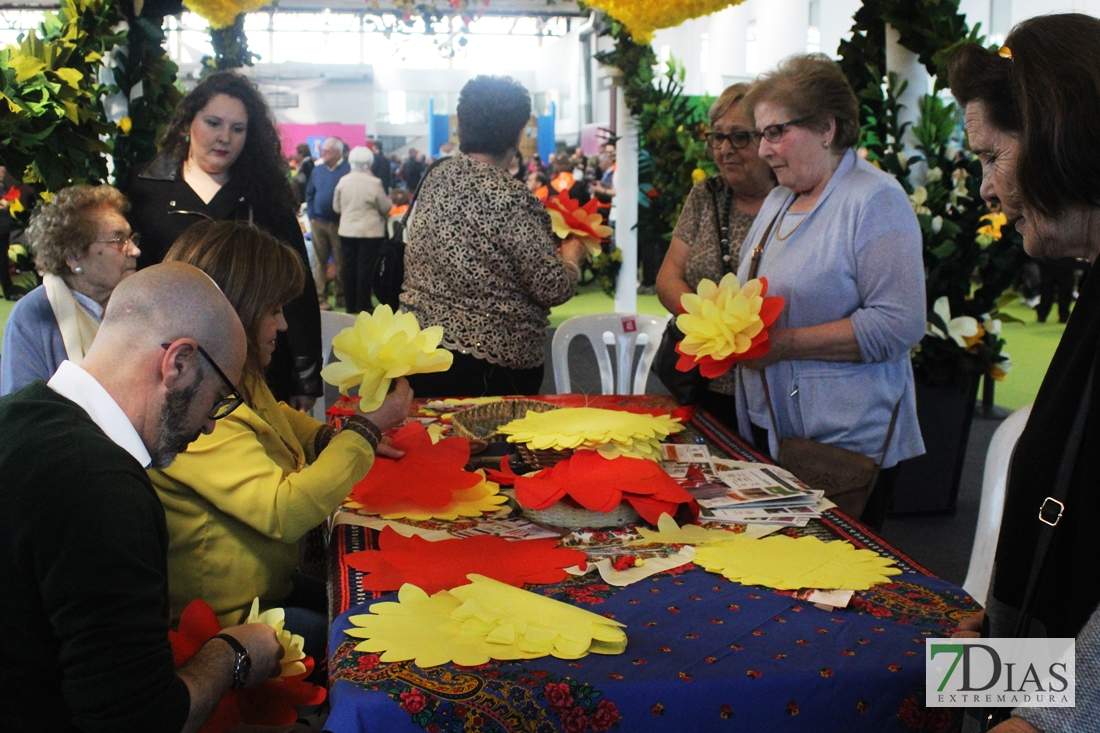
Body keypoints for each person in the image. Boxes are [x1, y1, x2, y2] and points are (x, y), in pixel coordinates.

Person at [0, 262, 284, 732]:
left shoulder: (17, 414)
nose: (212, 423)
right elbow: (141, 721)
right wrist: (232, 654)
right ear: (179, 362)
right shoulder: (99, 488)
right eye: (219, 399)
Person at [154, 220, 412, 668]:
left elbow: (274, 415)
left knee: (383, 601)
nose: (283, 323)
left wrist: (335, 435)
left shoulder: (232, 374)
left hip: (266, 593)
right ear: (236, 311)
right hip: (230, 626)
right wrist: (364, 433)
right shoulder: (195, 403)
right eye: (272, 309)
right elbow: (283, 513)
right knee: (382, 644)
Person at [948, 16, 1100, 731]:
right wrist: (988, 644)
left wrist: (1043, 719)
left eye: (991, 157)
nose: (985, 188)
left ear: (1059, 139)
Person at [735, 54, 926, 531]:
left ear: (826, 128)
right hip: (774, 424)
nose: (763, 150)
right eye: (761, 134)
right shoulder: (781, 198)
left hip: (845, 438)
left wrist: (783, 345)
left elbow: (898, 323)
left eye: (775, 132)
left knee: (839, 581)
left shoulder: (875, 198)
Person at [122, 70, 322, 412]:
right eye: (213, 123)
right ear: (188, 122)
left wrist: (305, 375)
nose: (224, 137)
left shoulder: (268, 197)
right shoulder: (143, 189)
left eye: (237, 129)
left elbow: (297, 291)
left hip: (256, 370)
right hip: (166, 366)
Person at [399, 75, 587, 396]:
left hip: (419, 349)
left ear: (462, 128)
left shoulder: (436, 176)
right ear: (517, 135)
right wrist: (571, 258)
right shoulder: (510, 196)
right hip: (488, 367)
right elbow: (551, 286)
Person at [656, 83, 776, 428]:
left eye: (739, 137)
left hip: (772, 387)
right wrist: (715, 328)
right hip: (699, 382)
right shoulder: (705, 194)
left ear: (768, 139)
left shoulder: (794, 202)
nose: (725, 149)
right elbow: (667, 279)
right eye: (717, 137)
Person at [1, 185, 139, 395]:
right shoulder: (34, 315)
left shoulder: (139, 305)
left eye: (131, 239)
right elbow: (22, 414)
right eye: (118, 240)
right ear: (74, 256)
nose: (135, 250)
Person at [333, 146, 391, 314]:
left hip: (346, 230)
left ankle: (349, 303)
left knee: (348, 268)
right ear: (370, 162)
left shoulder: (343, 181)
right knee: (365, 269)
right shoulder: (374, 182)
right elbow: (385, 207)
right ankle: (363, 304)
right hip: (370, 232)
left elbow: (336, 207)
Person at [306, 136, 350, 311]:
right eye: (322, 151)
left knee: (341, 262)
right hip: (319, 222)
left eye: (327, 151)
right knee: (319, 261)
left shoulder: (348, 170)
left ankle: (341, 297)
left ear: (338, 152)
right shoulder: (317, 170)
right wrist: (311, 215)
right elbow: (309, 193)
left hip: (339, 223)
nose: (322, 153)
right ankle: (320, 298)